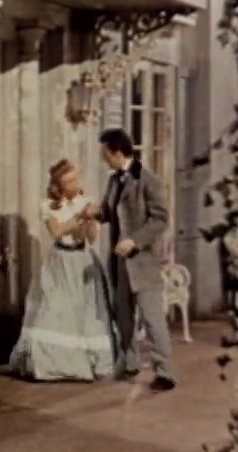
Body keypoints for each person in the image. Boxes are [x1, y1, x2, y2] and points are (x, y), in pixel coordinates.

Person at [80, 128, 176, 392]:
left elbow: (160, 220)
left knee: (152, 318)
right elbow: (110, 212)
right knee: (123, 316)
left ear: (116, 152)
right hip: (121, 264)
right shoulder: (113, 181)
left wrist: (134, 240)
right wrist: (95, 212)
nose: (103, 159)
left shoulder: (149, 180)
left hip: (143, 262)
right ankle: (130, 361)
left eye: (105, 154)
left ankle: (165, 371)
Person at [8, 159, 118, 382]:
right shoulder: (49, 206)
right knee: (54, 308)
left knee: (86, 312)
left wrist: (90, 221)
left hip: (82, 260)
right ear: (58, 186)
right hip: (59, 262)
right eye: (68, 182)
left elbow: (92, 239)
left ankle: (88, 362)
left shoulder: (86, 202)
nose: (74, 184)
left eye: (75, 179)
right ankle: (48, 364)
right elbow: (56, 232)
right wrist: (80, 217)